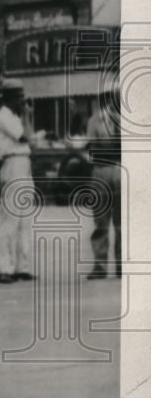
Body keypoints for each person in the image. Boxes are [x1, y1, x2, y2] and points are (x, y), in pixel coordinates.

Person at [0, 78, 36, 284]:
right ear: (9, 98)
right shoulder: (3, 116)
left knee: (25, 220)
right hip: (12, 164)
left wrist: (25, 115)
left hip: (24, 163)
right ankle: (4, 268)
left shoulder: (15, 116)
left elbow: (29, 138)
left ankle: (22, 267)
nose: (22, 101)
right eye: (19, 97)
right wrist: (28, 114)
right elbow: (26, 137)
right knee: (10, 220)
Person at [85, 86, 122, 279]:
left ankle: (122, 265)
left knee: (122, 222)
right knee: (101, 221)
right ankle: (100, 265)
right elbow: (91, 150)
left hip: (121, 170)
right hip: (101, 170)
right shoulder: (96, 120)